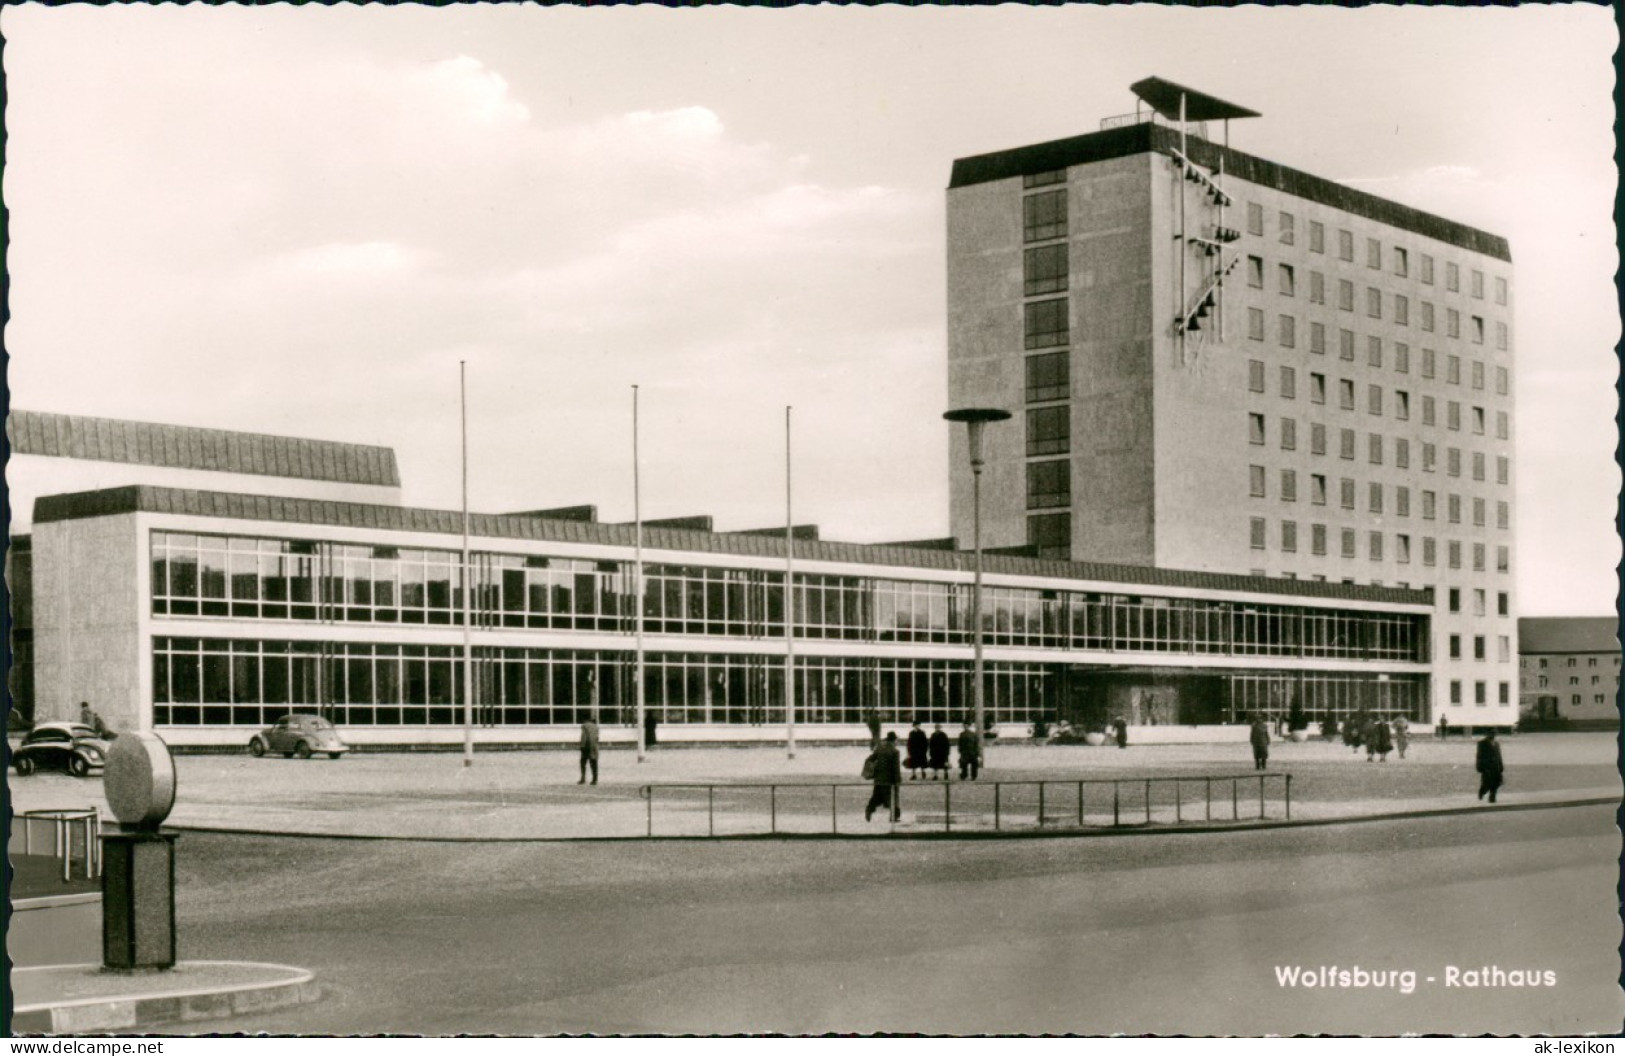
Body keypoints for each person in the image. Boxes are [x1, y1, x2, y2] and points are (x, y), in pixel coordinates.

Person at [865, 731, 903, 822]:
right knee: (893, 798)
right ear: (894, 740)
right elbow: (896, 767)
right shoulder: (895, 751)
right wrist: (898, 780)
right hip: (889, 780)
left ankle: (869, 809)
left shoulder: (879, 748)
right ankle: (894, 817)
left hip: (878, 779)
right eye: (896, 740)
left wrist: (872, 770)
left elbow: (870, 759)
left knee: (876, 797)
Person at [1476, 728, 1505, 803]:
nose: (1493, 735)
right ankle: (1482, 791)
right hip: (1487, 767)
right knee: (1487, 782)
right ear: (1487, 734)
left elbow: (1499, 755)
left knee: (1497, 782)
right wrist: (1480, 767)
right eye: (1491, 733)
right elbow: (1479, 756)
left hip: (1496, 766)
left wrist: (1501, 766)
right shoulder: (1482, 743)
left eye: (1494, 733)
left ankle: (1492, 797)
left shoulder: (1497, 743)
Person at [578, 718, 600, 785]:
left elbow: (584, 736)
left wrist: (582, 746)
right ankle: (595, 779)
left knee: (583, 762)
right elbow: (597, 738)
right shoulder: (596, 727)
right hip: (594, 746)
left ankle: (583, 778)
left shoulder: (584, 726)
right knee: (594, 763)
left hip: (587, 745)